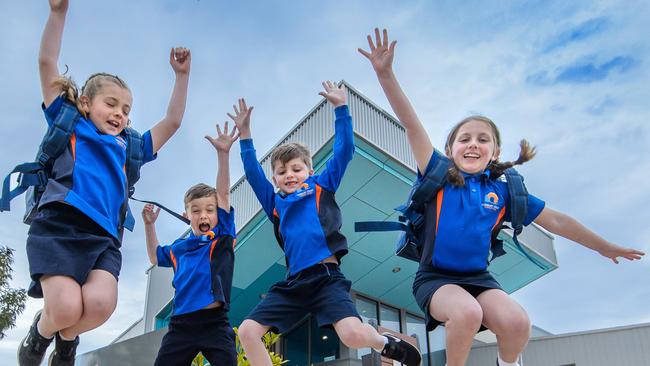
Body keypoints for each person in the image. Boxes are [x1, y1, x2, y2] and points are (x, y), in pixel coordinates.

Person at [359, 28, 645, 366]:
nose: (473, 144)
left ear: (495, 152)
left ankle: (506, 364)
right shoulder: (437, 171)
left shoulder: (504, 189)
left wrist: (602, 245)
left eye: (483, 139)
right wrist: (386, 74)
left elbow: (556, 220)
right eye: (465, 139)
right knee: (466, 313)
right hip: (436, 279)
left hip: (479, 278)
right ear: (450, 149)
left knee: (517, 323)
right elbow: (411, 125)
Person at [18, 1, 191, 365]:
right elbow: (46, 64)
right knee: (64, 308)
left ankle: (67, 340)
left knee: (99, 305)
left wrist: (181, 77)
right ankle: (42, 333)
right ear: (85, 102)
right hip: (59, 227)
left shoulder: (131, 147)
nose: (119, 114)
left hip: (103, 239)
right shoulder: (69, 122)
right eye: (111, 104)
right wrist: (58, 14)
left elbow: (172, 123)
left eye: (126, 110)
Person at [232, 82, 422, 366]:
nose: (290, 175)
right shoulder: (275, 203)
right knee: (247, 331)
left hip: (327, 279)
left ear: (309, 170)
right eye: (282, 172)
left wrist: (341, 109)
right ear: (275, 179)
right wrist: (245, 135)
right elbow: (252, 172)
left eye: (296, 169)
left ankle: (384, 343)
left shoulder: (322, 185)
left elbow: (345, 150)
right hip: (294, 284)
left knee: (353, 336)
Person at [142, 121, 239, 366]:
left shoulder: (223, 238)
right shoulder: (179, 248)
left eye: (209, 209)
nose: (204, 215)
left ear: (217, 214)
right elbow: (155, 257)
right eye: (196, 211)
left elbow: (224, 194)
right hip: (181, 325)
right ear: (186, 215)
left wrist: (223, 154)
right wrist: (149, 225)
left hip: (215, 322)